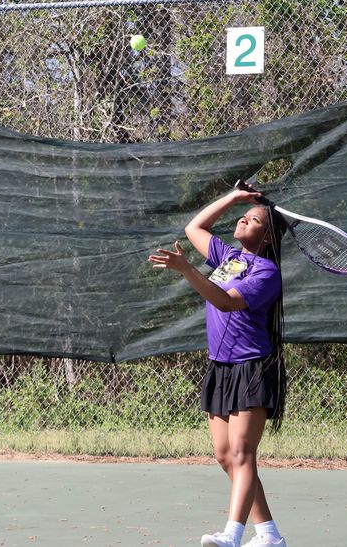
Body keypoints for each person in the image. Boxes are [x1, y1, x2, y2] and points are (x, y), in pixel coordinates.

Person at [148, 183, 289, 547]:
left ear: (268, 237)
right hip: (220, 366)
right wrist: (233, 197)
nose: (243, 220)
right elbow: (194, 228)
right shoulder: (230, 258)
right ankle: (269, 534)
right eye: (244, 216)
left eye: (253, 220)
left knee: (242, 453)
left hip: (252, 367)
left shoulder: (266, 273)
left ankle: (232, 535)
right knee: (226, 456)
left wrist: (186, 269)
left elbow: (225, 302)